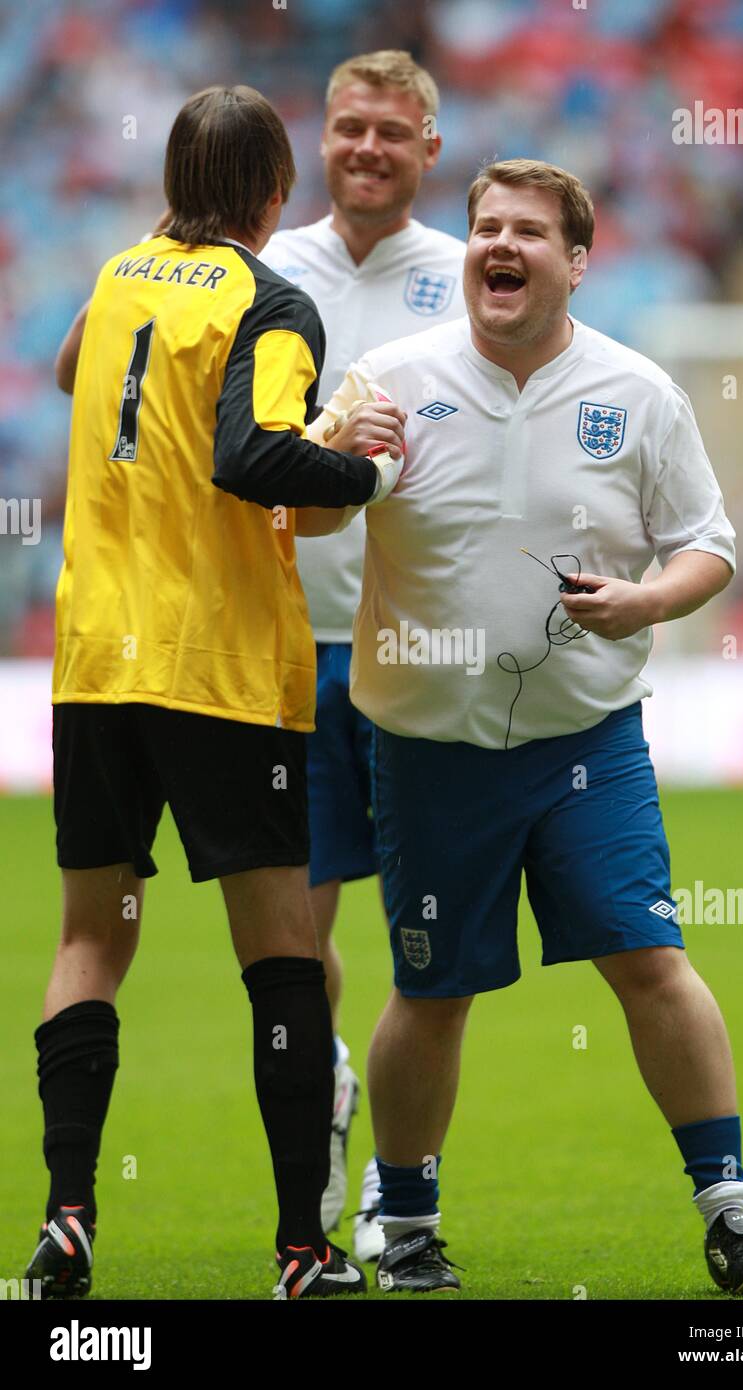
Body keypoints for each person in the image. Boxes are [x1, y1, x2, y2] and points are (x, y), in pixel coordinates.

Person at [306, 158, 743, 1296]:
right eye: (484, 228)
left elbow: (707, 543)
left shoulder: (637, 392)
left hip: (587, 743)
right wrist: (334, 447)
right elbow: (312, 513)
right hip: (426, 752)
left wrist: (645, 601)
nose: (498, 245)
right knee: (430, 991)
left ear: (577, 261)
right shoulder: (390, 379)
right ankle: (412, 1224)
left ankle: (728, 1209)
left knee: (648, 959)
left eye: (528, 230)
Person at [54, 51, 466, 1260]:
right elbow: (250, 458)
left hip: (97, 664)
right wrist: (360, 461)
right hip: (225, 661)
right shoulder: (270, 291)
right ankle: (304, 1243)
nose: (363, 150)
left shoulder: (122, 274)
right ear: (282, 181)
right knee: (288, 953)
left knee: (90, 938)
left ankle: (64, 1214)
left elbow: (83, 371)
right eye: (341, 133)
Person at [261, 49, 465, 1255]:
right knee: (294, 927)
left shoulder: (474, 272)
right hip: (282, 647)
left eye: (393, 132)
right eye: (349, 128)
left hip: (418, 649)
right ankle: (330, 1073)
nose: (369, 148)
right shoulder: (264, 266)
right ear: (319, 139)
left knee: (425, 935)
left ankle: (402, 1188)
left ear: (427, 148)